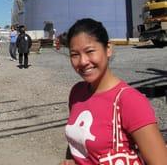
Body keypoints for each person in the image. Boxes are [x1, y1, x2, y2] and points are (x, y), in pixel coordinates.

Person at [61, 18, 167, 165]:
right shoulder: (77, 93)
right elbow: (78, 144)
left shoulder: (130, 101)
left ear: (108, 49)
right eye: (74, 54)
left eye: (90, 51)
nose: (83, 61)